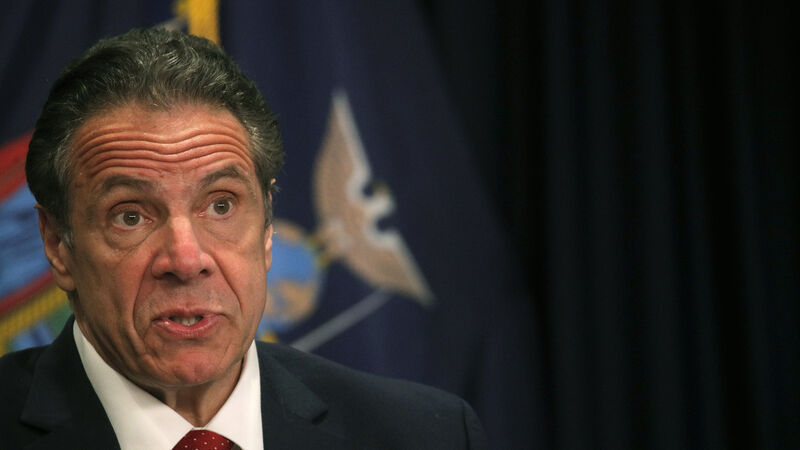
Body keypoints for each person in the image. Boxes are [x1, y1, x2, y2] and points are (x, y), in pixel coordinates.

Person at [0, 27, 487, 449]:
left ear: (267, 228)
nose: (186, 260)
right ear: (58, 244)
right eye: (130, 216)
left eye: (221, 205)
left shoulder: (426, 436)